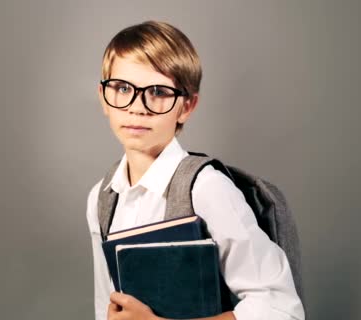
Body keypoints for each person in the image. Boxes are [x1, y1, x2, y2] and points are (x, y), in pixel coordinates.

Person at [85, 21, 305, 320]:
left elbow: (281, 309)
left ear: (186, 106)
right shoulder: (102, 197)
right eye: (123, 88)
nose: (138, 107)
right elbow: (106, 307)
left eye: (159, 92)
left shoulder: (206, 188)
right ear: (103, 97)